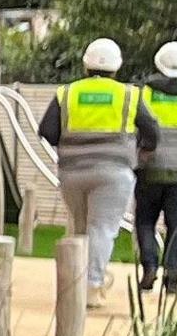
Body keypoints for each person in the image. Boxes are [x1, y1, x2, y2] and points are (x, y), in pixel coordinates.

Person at [43, 37, 158, 304]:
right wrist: (140, 152)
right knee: (103, 229)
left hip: (72, 172)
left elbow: (47, 130)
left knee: (81, 228)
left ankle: (76, 285)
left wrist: (71, 145)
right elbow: (151, 131)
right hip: (114, 172)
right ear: (117, 67)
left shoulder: (67, 93)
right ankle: (93, 286)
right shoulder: (129, 94)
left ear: (85, 65)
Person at [140, 42, 177, 297]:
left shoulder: (144, 92)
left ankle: (149, 266)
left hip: (149, 168)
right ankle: (172, 279)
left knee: (145, 220)